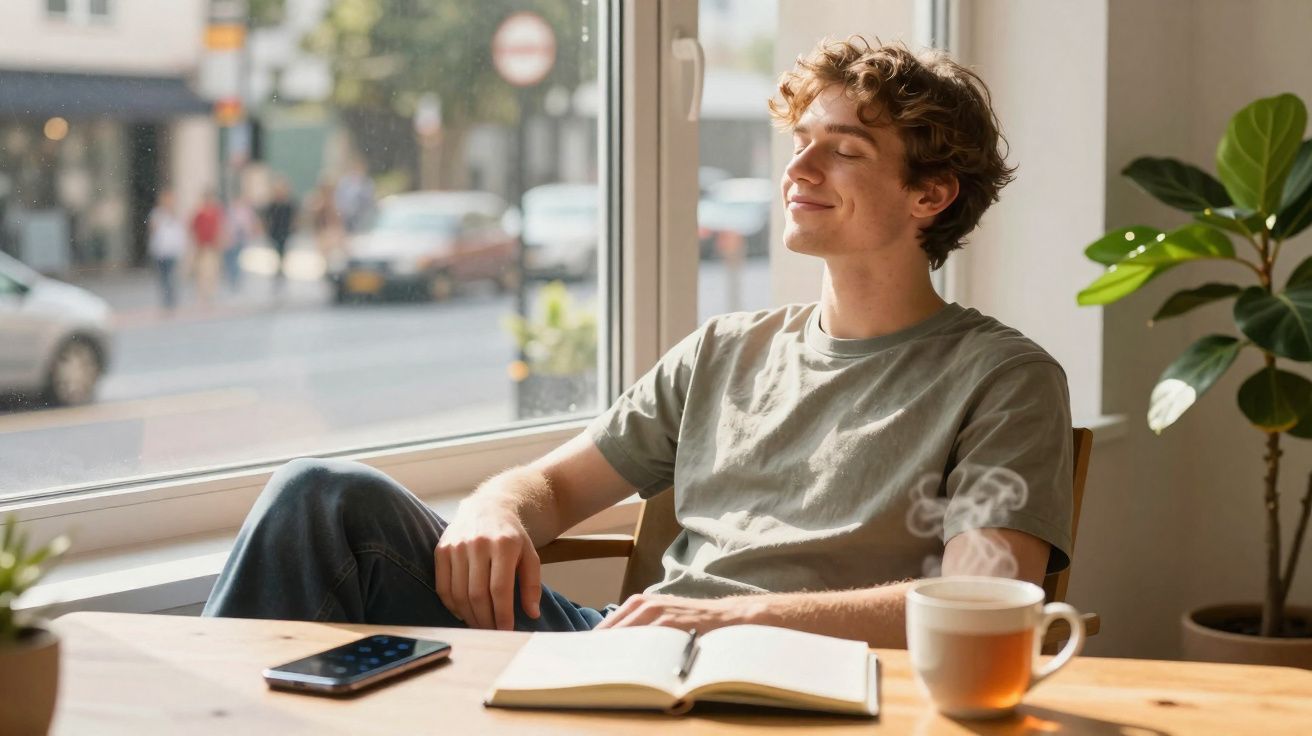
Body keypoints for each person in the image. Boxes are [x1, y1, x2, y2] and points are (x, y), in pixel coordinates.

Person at [204, 38, 1071, 648]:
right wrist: (495, 508)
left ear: (930, 195)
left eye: (841, 151)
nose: (797, 170)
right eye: (800, 143)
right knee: (321, 498)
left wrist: (731, 620)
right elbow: (550, 487)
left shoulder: (1002, 377)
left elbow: (986, 596)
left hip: (810, 681)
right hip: (634, 651)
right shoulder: (725, 351)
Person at [147, 189, 187, 312]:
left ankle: (171, 300)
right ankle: (166, 300)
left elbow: (180, 233)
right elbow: (153, 230)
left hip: (172, 251)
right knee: (163, 277)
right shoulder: (157, 214)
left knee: (170, 276)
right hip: (160, 251)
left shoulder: (176, 214)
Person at [190, 190, 226, 306]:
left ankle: (210, 294)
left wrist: (220, 242)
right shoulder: (200, 213)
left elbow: (220, 228)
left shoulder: (216, 213)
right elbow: (193, 228)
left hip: (213, 247)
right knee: (202, 272)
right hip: (203, 247)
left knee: (213, 271)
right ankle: (203, 295)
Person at [263, 177, 297, 292]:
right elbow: (267, 218)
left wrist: (293, 229)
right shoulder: (272, 204)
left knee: (282, 253)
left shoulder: (289, 204)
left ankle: (280, 273)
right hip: (274, 233)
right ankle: (278, 273)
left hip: (285, 233)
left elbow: (294, 219)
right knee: (276, 254)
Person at [224, 191, 261, 293]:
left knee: (236, 259)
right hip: (231, 239)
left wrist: (251, 233)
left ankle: (235, 279)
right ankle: (232, 278)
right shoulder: (230, 211)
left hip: (241, 239)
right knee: (231, 259)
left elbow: (252, 223)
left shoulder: (246, 211)